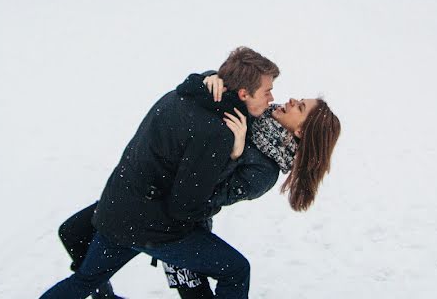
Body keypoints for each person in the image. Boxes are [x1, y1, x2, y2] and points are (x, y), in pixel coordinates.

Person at [56, 71, 342, 299]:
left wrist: (234, 154)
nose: (290, 100)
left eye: (300, 107)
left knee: (228, 275)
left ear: (302, 130)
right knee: (74, 235)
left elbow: (207, 195)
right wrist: (208, 81)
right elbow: (224, 92)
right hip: (150, 198)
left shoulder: (263, 172)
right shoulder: (259, 113)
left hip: (177, 221)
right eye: (299, 99)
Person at [38, 47, 280, 299]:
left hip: (116, 211)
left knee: (84, 280)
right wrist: (234, 156)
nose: (272, 98)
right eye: (267, 91)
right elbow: (185, 208)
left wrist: (208, 77)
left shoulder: (184, 94)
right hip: (152, 227)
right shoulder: (216, 132)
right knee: (235, 270)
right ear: (243, 93)